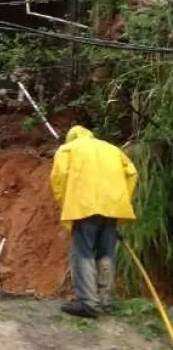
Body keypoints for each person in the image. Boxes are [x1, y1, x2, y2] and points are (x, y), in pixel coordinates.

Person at [51, 125, 137, 318]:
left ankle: (88, 303)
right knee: (106, 252)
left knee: (83, 253)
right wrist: (121, 201)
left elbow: (59, 180)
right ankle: (105, 301)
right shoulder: (111, 149)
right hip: (112, 207)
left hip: (84, 207)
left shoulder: (67, 150)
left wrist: (67, 204)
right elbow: (132, 173)